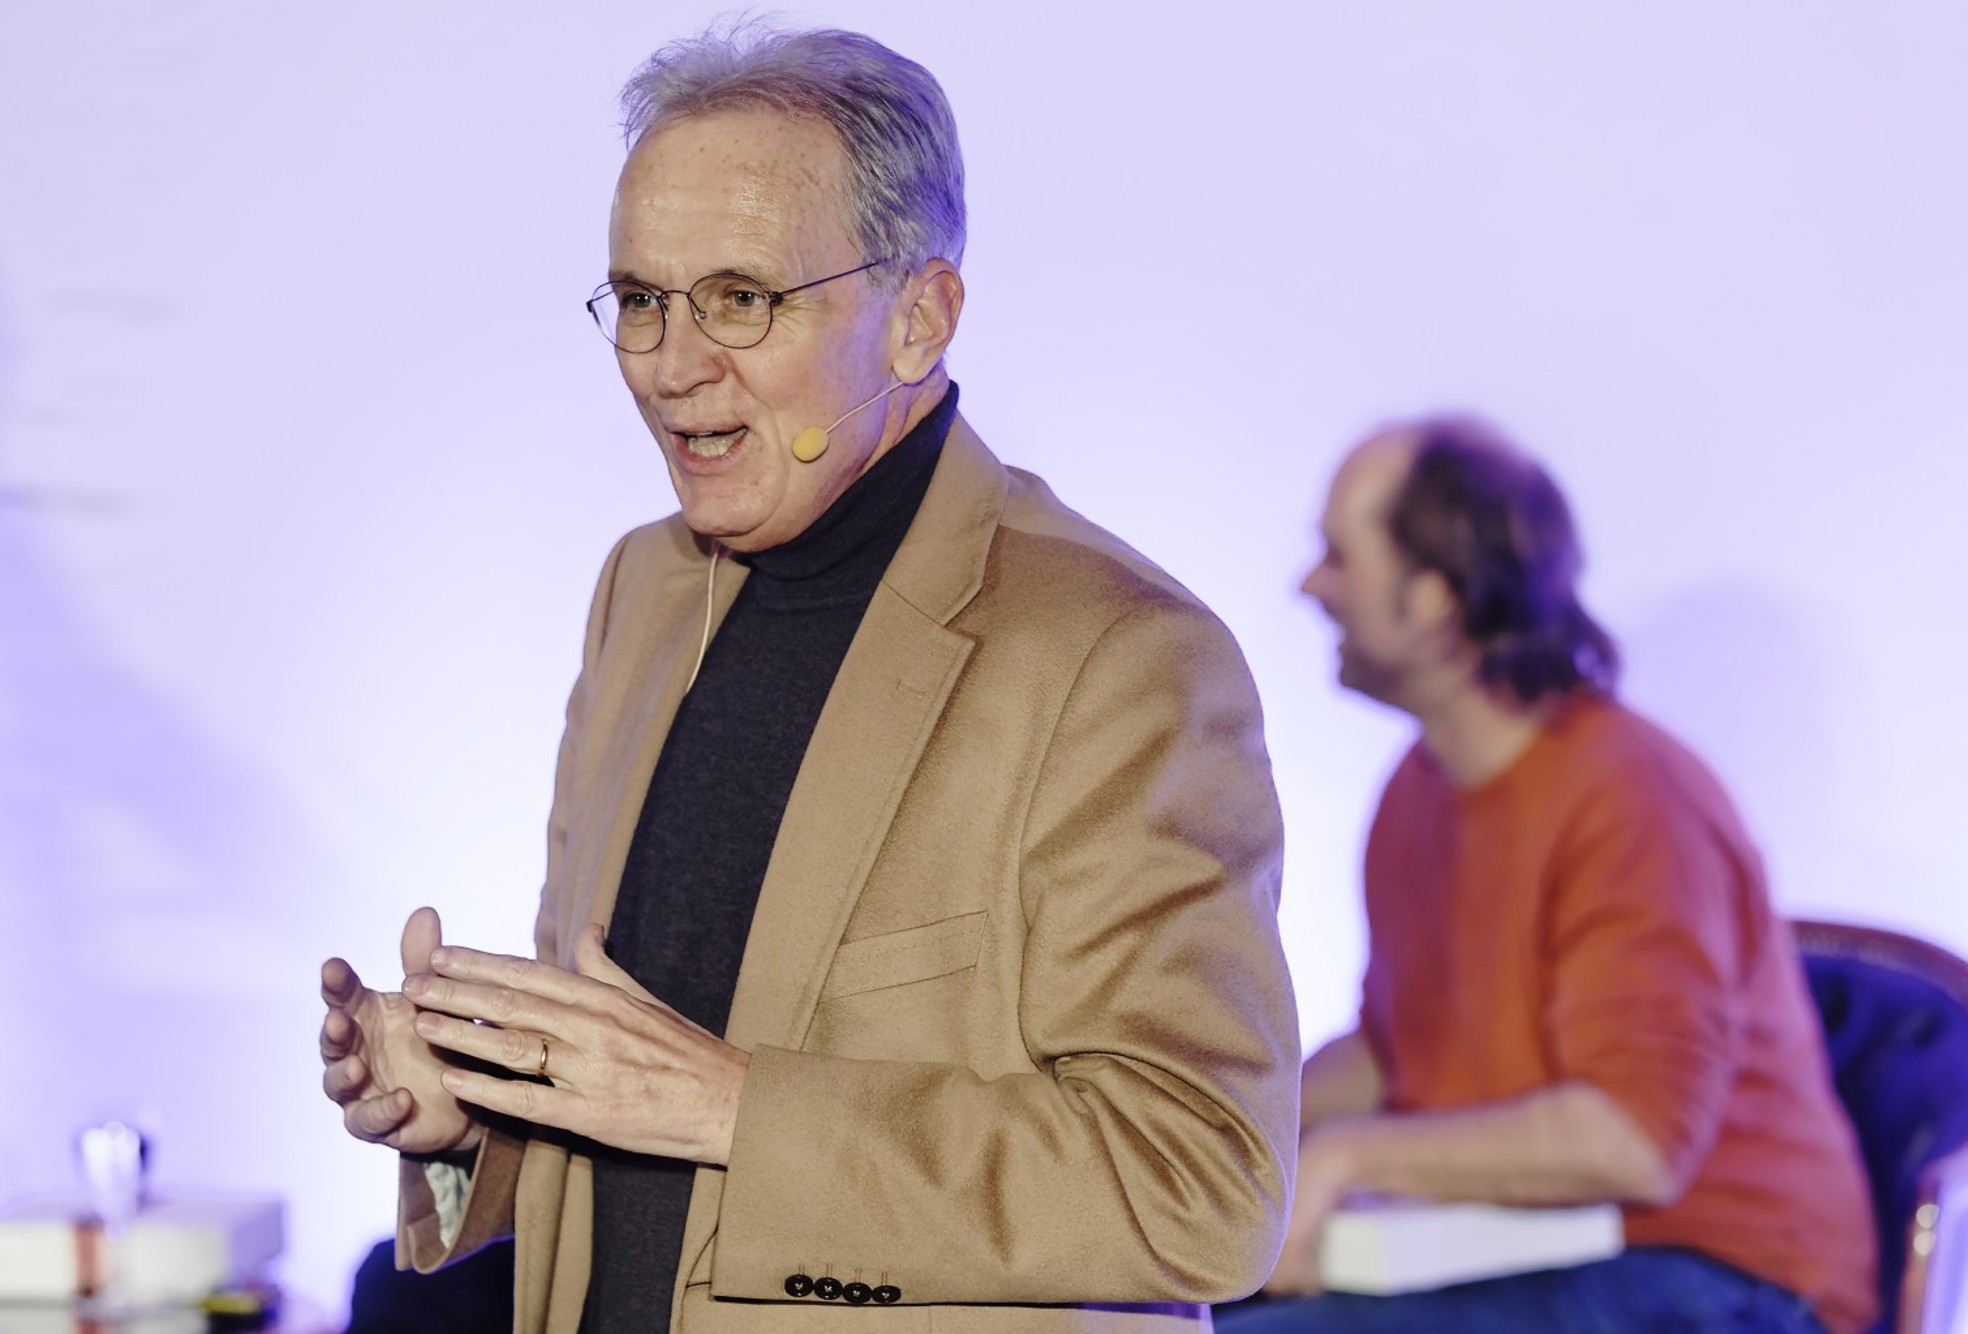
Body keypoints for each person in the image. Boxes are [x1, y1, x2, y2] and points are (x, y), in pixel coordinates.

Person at [316, 20, 1298, 1334]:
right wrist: (468, 1113)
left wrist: (736, 1105)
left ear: (919, 318)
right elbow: (631, 1115)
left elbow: (1202, 1186)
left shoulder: (1121, 655)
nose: (671, 365)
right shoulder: (639, 590)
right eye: (641, 299)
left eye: (740, 298)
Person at [1221, 418, 1877, 1332]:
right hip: (1524, 1250)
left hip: (1728, 1277)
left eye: (1338, 557)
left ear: (1435, 599)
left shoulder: (1632, 798)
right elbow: (1394, 1055)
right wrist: (1217, 1121)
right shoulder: (1417, 792)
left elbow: (1634, 1142)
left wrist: (1348, 1157)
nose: (1309, 586)